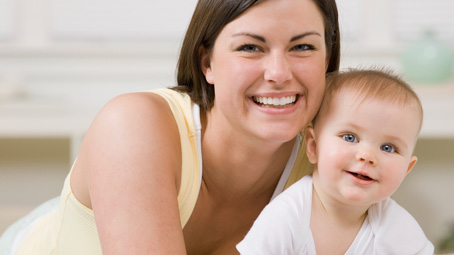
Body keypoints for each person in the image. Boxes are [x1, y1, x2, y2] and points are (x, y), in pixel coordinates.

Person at [0, 0, 340, 254]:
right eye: (250, 47)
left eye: (303, 47)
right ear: (207, 63)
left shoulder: (335, 154)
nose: (279, 73)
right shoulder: (132, 125)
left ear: (326, 59)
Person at [236, 69, 435, 255]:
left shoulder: (395, 226)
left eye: (388, 148)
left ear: (407, 169)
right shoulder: (286, 217)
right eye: (350, 137)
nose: (367, 156)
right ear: (313, 146)